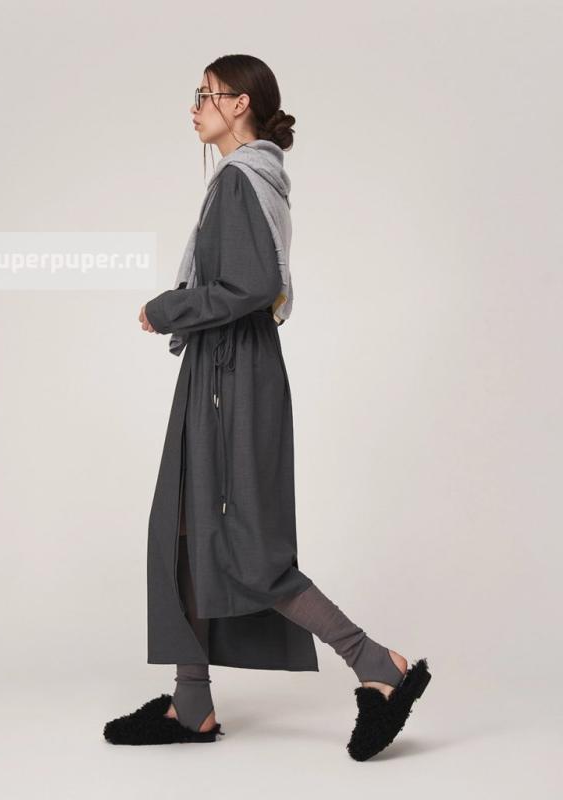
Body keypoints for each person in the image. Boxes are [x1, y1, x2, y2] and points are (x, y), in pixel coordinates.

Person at [103, 54, 431, 761]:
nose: (194, 107)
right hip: (222, 368)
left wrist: (167, 308)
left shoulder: (239, 179)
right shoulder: (251, 177)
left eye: (205, 94)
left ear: (240, 103)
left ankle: (377, 664)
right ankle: (192, 704)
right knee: (185, 529)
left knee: (249, 548)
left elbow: (249, 286)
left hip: (231, 372)